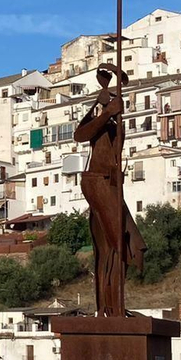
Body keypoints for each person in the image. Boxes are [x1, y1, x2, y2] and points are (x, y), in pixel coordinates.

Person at [75, 63, 143, 316]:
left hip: (112, 184)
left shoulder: (114, 125)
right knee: (115, 243)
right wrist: (104, 112)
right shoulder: (98, 121)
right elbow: (80, 135)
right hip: (97, 181)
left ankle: (112, 306)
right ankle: (111, 307)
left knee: (118, 243)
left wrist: (114, 116)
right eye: (111, 98)